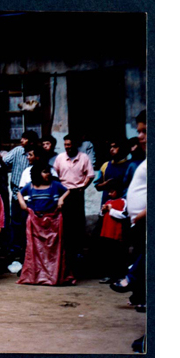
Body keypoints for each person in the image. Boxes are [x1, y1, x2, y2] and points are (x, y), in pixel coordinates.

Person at [109, 110, 147, 353]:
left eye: (145, 131)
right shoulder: (147, 159)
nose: (140, 136)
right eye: (140, 131)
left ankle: (132, 278)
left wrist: (142, 214)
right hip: (139, 223)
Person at [16, 162, 75, 286]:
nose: (47, 174)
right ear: (37, 173)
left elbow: (68, 191)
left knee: (52, 250)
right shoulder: (31, 186)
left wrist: (61, 199)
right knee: (35, 250)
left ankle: (52, 275)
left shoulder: (55, 185)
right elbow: (19, 193)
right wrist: (22, 203)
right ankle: (36, 276)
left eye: (48, 171)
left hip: (53, 221)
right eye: (44, 171)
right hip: (35, 221)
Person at [53, 134, 95, 270]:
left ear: (75, 145)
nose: (67, 147)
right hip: (64, 193)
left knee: (77, 225)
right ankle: (65, 259)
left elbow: (90, 175)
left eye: (69, 145)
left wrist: (83, 187)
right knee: (64, 226)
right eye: (65, 145)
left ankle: (77, 258)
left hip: (77, 193)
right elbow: (55, 175)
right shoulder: (60, 158)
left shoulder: (84, 157)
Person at [3, 130, 39, 262]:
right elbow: (5, 163)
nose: (21, 141)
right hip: (16, 194)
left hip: (33, 198)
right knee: (16, 222)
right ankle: (15, 250)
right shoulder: (18, 151)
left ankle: (28, 249)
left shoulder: (37, 154)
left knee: (30, 224)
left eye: (24, 139)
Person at [97, 179, 129, 284]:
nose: (110, 194)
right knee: (107, 255)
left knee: (117, 256)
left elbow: (124, 215)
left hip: (116, 234)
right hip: (106, 233)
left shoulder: (123, 202)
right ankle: (108, 275)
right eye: (109, 192)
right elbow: (101, 216)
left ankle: (118, 276)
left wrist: (111, 210)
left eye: (112, 191)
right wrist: (103, 210)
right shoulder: (108, 202)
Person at [94, 137, 130, 205]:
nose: (112, 149)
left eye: (115, 147)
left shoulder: (129, 166)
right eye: (111, 147)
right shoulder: (105, 166)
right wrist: (105, 185)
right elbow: (97, 186)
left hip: (124, 206)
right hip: (107, 205)